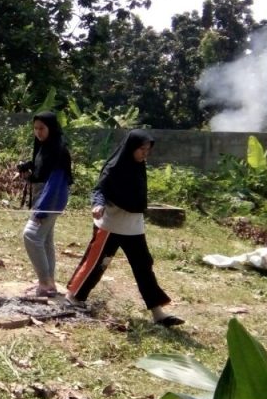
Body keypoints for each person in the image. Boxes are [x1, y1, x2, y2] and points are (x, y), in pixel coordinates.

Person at [66, 129, 183, 327]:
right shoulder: (114, 167)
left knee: (144, 267)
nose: (145, 153)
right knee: (97, 263)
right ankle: (74, 296)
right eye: (141, 149)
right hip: (111, 224)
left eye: (148, 150)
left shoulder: (139, 166)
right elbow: (99, 190)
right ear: (131, 148)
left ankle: (158, 313)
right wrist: (98, 204)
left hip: (133, 226)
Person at [18, 111, 73, 297]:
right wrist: (28, 168)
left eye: (42, 128)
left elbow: (55, 182)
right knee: (45, 240)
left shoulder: (59, 150)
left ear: (51, 128)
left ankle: (44, 283)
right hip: (42, 196)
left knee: (31, 235)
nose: (38, 132)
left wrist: (42, 210)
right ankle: (49, 281)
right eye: (35, 128)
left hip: (51, 198)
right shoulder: (43, 147)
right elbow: (42, 170)